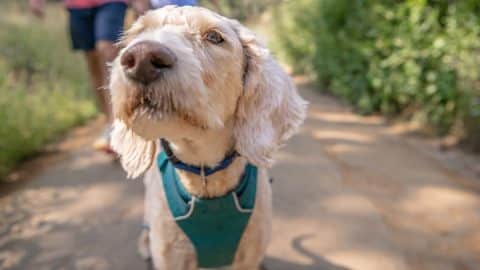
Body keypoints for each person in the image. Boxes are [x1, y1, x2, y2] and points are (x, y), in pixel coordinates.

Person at [29, 0, 150, 153]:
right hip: (78, 5)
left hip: (111, 3)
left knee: (106, 50)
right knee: (93, 62)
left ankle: (118, 124)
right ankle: (109, 122)